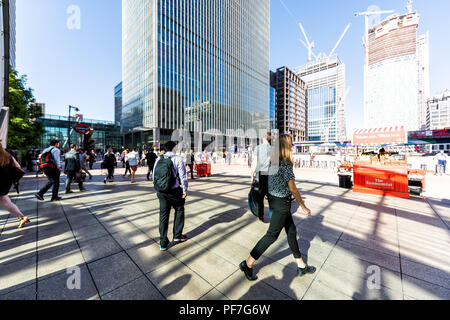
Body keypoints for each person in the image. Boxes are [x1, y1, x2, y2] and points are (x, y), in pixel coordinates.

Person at [240, 134, 316, 281]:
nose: (293, 146)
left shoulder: (273, 161)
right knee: (271, 235)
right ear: (286, 146)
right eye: (291, 143)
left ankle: (301, 266)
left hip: (275, 200)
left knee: (291, 231)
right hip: (282, 203)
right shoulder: (286, 163)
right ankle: (247, 264)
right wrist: (303, 206)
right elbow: (293, 188)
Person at [153, 141, 189, 252]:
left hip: (162, 192)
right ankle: (177, 236)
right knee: (179, 209)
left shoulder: (159, 159)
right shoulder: (178, 158)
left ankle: (163, 243)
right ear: (174, 148)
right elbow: (183, 176)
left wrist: (159, 188)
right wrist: (185, 190)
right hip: (174, 191)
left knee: (163, 215)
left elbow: (155, 175)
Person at [0, 141, 30, 229]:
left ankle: (22, 217)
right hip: (6, 181)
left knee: (4, 200)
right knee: (5, 200)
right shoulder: (8, 155)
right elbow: (18, 167)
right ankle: (22, 217)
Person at [250, 132, 272, 222]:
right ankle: (273, 217)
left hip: (260, 175)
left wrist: (252, 174)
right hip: (270, 175)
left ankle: (261, 215)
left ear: (264, 138)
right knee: (271, 198)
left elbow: (254, 162)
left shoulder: (258, 148)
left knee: (259, 197)